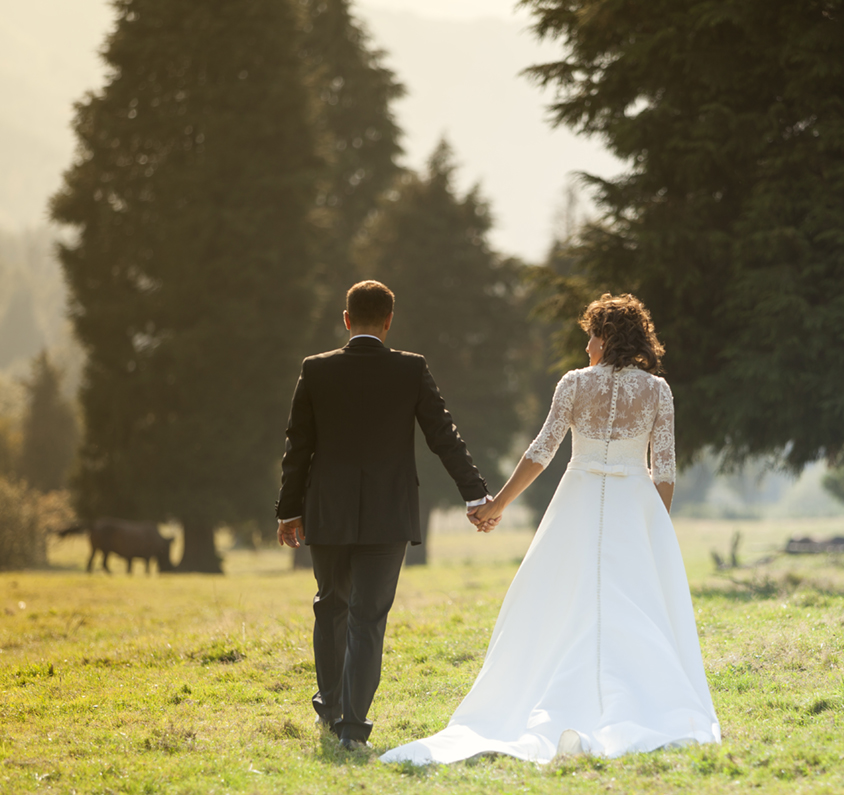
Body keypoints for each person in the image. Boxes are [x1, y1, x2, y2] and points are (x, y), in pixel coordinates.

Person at [380, 293, 721, 764]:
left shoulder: (574, 384)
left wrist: (496, 504)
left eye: (590, 336)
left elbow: (541, 451)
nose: (586, 347)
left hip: (578, 501)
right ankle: (642, 698)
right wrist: (655, 527)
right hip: (633, 504)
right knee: (636, 602)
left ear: (606, 338)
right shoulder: (657, 391)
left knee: (563, 597)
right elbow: (664, 469)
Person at [275, 280, 492, 750]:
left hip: (327, 512)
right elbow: (443, 436)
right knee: (368, 618)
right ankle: (352, 729)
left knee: (330, 606)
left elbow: (299, 447)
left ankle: (329, 707)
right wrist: (475, 496)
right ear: (389, 322)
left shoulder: (316, 370)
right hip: (388, 514)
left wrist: (290, 511)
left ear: (347, 319)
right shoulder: (410, 369)